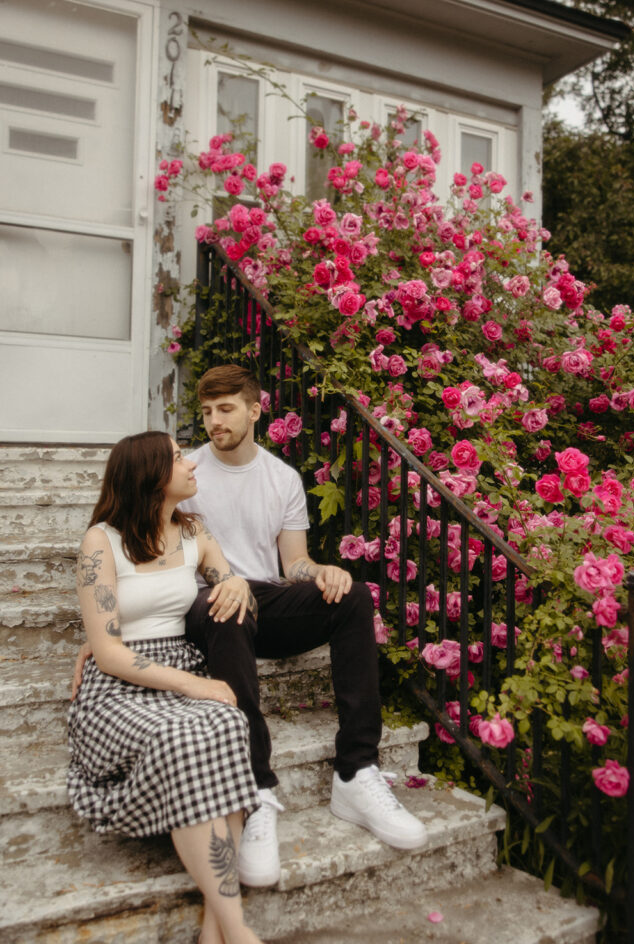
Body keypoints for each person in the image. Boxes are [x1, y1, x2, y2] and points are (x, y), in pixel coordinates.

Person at [178, 364, 428, 888]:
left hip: (267, 600)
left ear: (255, 409)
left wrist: (322, 572)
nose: (214, 421)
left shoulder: (282, 478)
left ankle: (356, 772)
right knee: (230, 601)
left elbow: (292, 562)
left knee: (353, 597)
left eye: (225, 410)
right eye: (206, 412)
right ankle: (256, 789)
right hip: (211, 606)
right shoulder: (189, 474)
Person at [67, 431, 264, 944]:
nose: (192, 464)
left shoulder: (193, 530)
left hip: (179, 664)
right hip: (119, 686)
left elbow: (228, 580)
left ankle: (213, 927)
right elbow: (108, 652)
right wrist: (193, 684)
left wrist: (237, 581)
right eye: (179, 458)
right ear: (151, 474)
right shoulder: (101, 542)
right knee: (181, 734)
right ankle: (238, 930)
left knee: (226, 722)